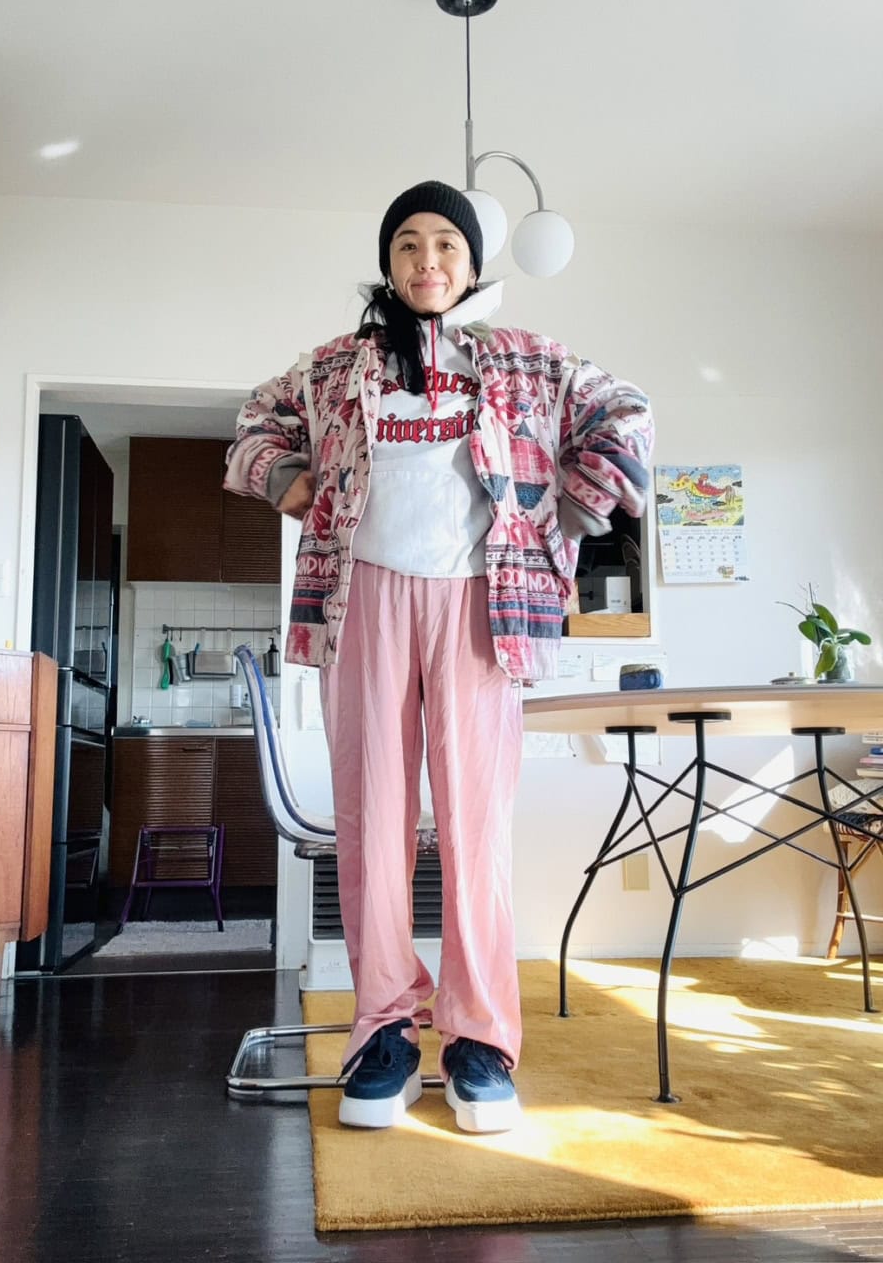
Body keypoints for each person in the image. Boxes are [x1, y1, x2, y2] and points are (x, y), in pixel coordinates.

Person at [224, 180, 653, 1133]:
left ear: (471, 263)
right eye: (409, 244)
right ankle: (383, 1028)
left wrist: (578, 501)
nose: (427, 260)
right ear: (388, 262)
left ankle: (479, 1039)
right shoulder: (335, 366)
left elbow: (627, 410)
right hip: (363, 596)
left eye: (447, 244)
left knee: (475, 828)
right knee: (372, 823)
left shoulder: (529, 359)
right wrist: (286, 477)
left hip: (483, 602)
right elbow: (254, 424)